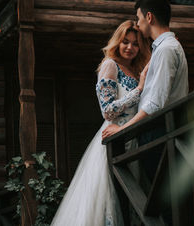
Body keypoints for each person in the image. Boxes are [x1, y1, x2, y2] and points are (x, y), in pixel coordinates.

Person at [51, 20, 151, 226]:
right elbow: (107, 110)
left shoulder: (135, 69)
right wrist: (138, 90)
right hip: (113, 138)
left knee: (132, 197)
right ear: (117, 42)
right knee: (109, 199)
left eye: (135, 43)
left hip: (132, 138)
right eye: (125, 42)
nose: (130, 47)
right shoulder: (110, 65)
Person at [102, 0, 189, 179]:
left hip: (158, 132)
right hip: (163, 130)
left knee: (159, 196)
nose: (139, 25)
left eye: (139, 19)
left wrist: (122, 130)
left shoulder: (166, 50)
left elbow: (154, 105)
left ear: (149, 17)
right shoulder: (165, 48)